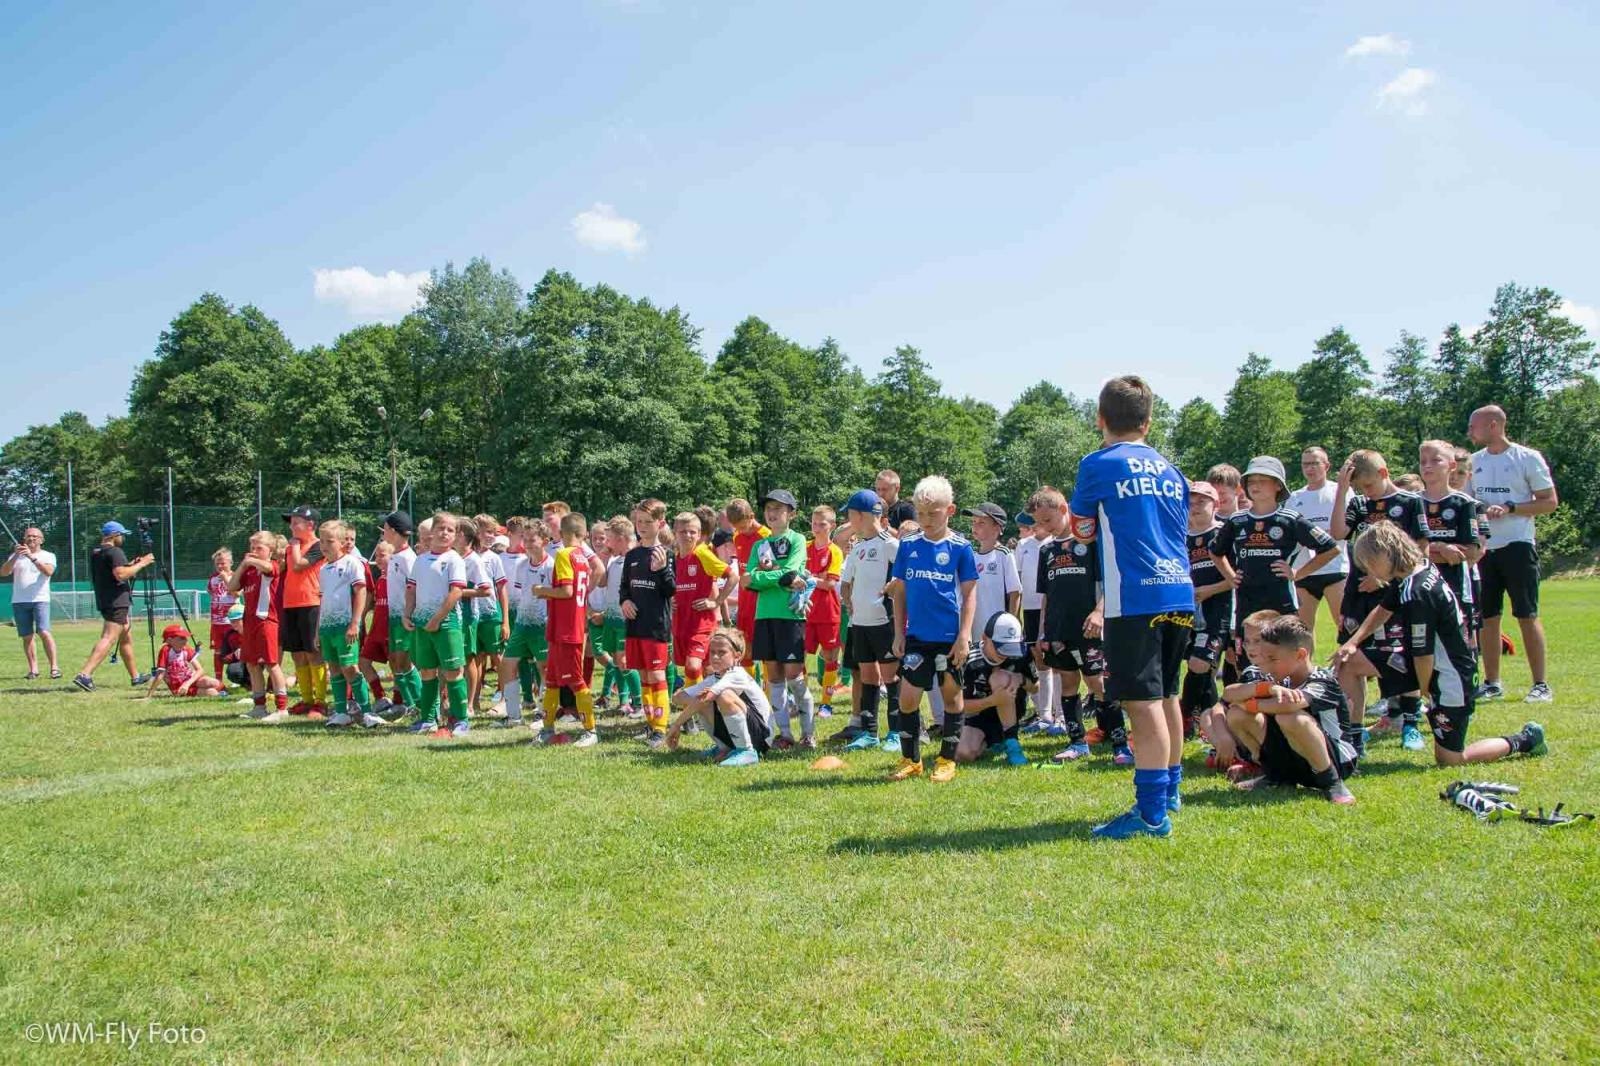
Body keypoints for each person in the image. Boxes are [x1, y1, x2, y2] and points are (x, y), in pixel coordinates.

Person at [1069, 376, 1193, 839]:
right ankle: (1171, 792)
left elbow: (1081, 530)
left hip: (1134, 598)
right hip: (1179, 591)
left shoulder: (1098, 464)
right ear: (1148, 420)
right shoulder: (1170, 469)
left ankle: (1150, 814)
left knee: (1142, 706)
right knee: (1168, 696)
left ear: (1101, 419)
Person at [1338, 521, 1547, 768]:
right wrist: (1352, 642)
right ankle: (1351, 745)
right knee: (1349, 662)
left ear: (1387, 552)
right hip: (1427, 665)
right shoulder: (1414, 572)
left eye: (1370, 562)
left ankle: (1525, 739)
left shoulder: (1418, 593)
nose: (1369, 570)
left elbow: (1423, 655)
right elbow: (1384, 609)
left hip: (1450, 677)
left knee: (1451, 759)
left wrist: (1427, 692)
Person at [1331, 450, 1431, 751]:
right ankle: (1355, 732)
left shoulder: (1411, 502)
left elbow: (1422, 547)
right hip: (1357, 595)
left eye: (1369, 486)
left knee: (1401, 656)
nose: (1366, 493)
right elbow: (1337, 532)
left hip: (1395, 593)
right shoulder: (1359, 503)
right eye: (1359, 487)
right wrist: (1341, 491)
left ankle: (1410, 725)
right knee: (1351, 658)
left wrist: (1384, 577)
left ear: (1384, 473)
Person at [887, 475, 978, 782]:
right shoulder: (908, 545)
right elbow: (899, 591)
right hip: (916, 638)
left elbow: (969, 595)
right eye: (920, 513)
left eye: (933, 513)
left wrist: (964, 636)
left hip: (949, 638)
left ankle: (947, 759)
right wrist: (899, 633)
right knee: (907, 698)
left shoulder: (960, 547)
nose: (925, 520)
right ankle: (911, 759)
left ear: (949, 510)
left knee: (951, 695)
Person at [1466, 404, 1558, 703]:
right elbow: (1469, 504)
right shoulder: (1474, 462)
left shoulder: (1526, 457)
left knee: (1526, 615)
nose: (1470, 431)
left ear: (1494, 425)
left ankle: (1540, 684)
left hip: (1518, 546)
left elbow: (1548, 502)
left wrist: (1511, 508)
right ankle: (1492, 682)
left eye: (1474, 425)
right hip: (1485, 551)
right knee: (1487, 618)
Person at [1224, 615, 1357, 804]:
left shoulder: (1323, 680)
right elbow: (1229, 694)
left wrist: (1250, 704)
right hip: (1298, 762)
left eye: (1272, 658)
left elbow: (1288, 705)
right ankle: (1276, 776)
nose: (1266, 664)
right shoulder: (1277, 677)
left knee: (1291, 718)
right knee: (1237, 714)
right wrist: (1267, 688)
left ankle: (1332, 783)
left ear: (1300, 655)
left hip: (1337, 761)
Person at [1210, 456, 1339, 646]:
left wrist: (1297, 573)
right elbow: (1215, 551)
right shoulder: (1237, 520)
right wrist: (1230, 577)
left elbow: (1330, 548)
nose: (1256, 485)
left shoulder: (1289, 519)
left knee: (1282, 653)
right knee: (1247, 656)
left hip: (1281, 601)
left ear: (1278, 485)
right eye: (1251, 481)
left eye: (1263, 480)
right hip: (1246, 601)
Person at [1036, 485, 1120, 764]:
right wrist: (1044, 632)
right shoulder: (1046, 550)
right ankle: (1077, 742)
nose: (1043, 526)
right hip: (1059, 629)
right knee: (1068, 682)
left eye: (1047, 520)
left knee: (1098, 682)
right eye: (1038, 522)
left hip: (1090, 626)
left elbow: (1110, 582)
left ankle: (1120, 742)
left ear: (1064, 510)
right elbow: (1046, 594)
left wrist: (1099, 612)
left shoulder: (1091, 542)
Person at [742, 490, 815, 749]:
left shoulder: (797, 540)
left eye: (778, 509)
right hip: (764, 617)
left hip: (790, 616)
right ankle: (784, 735)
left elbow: (792, 570)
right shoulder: (759, 545)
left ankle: (808, 733)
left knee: (795, 676)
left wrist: (772, 576)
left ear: (791, 514)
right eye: (768, 508)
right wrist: (782, 578)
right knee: (774, 678)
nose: (772, 513)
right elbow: (748, 580)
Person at [838, 490, 901, 752]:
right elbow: (846, 580)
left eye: (850, 514)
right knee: (867, 676)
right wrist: (847, 597)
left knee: (890, 676)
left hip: (884, 622)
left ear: (862, 515)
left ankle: (896, 732)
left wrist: (891, 590)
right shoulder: (859, 547)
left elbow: (903, 580)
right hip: (860, 622)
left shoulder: (890, 544)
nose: (848, 520)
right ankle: (869, 732)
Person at [403, 512, 470, 737]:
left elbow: (456, 592)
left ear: (456, 536)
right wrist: (407, 613)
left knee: (452, 671)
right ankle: (428, 719)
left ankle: (461, 720)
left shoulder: (454, 560)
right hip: (422, 624)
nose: (444, 533)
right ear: (431, 532)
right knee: (427, 671)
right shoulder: (420, 560)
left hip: (446, 623)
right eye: (441, 528)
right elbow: (411, 589)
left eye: (450, 530)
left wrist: (437, 619)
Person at [1182, 482, 1236, 762]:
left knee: (1200, 664)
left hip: (1217, 611)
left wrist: (1209, 591)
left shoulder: (1223, 534)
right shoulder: (1180, 537)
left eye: (1203, 501)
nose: (1196, 505)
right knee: (1199, 667)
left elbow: (1236, 577)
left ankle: (1184, 716)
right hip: (1184, 612)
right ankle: (1207, 720)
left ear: (1215, 504)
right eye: (1191, 500)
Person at [664, 627, 772, 766]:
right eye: (713, 652)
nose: (715, 657)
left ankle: (747, 751)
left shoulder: (736, 674)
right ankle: (724, 748)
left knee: (722, 695)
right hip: (747, 731)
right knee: (704, 702)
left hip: (761, 738)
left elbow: (704, 699)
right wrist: (698, 700)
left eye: (722, 653)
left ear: (737, 656)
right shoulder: (715, 677)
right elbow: (677, 697)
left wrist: (676, 724)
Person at [535, 513, 599, 747]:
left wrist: (541, 590)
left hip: (567, 626)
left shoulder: (563, 554)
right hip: (567, 625)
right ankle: (547, 729)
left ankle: (591, 730)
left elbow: (566, 592)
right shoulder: (582, 556)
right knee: (552, 678)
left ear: (562, 534)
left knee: (575, 679)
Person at [315, 520, 383, 729]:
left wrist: (355, 622)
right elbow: (323, 599)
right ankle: (341, 712)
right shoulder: (324, 569)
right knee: (334, 668)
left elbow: (361, 591)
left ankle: (367, 712)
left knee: (350, 667)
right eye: (322, 541)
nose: (324, 546)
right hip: (328, 627)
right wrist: (318, 631)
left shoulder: (352, 564)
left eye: (330, 541)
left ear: (343, 543)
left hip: (345, 625)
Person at [72, 521, 155, 692]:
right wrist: (142, 564)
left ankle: (135, 676)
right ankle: (84, 675)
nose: (123, 538)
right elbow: (120, 575)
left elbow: (114, 571)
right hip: (116, 601)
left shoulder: (97, 552)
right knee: (109, 638)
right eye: (121, 535)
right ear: (113, 535)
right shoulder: (115, 551)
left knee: (125, 637)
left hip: (105, 598)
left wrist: (131, 564)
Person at [620, 499, 675, 745]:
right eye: (638, 521)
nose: (641, 526)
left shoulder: (667, 553)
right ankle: (650, 723)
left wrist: (662, 569)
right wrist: (624, 602)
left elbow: (671, 590)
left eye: (647, 522)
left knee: (656, 675)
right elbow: (624, 587)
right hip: (635, 627)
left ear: (660, 523)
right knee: (643, 676)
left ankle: (661, 729)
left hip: (655, 627)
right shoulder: (631, 555)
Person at [1418, 440, 1483, 645]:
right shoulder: (1411, 502)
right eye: (1423, 461)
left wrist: (1425, 549)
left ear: (1451, 466)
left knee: (1459, 645)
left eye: (1435, 460)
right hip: (1419, 587)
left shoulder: (1464, 504)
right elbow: (1405, 552)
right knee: (1422, 650)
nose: (1427, 466)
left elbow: (1470, 553)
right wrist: (1441, 547)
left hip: (1455, 585)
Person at [952, 611, 1034, 765]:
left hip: (1014, 710)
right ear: (984, 638)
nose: (1006, 654)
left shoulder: (1021, 653)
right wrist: (993, 700)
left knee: (1000, 678)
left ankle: (1012, 743)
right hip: (980, 717)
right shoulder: (969, 660)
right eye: (1001, 647)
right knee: (963, 753)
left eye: (1011, 647)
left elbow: (1036, 687)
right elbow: (959, 706)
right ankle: (993, 740)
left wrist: (1020, 679)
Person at [497, 518, 554, 729]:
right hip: (522, 624)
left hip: (542, 625)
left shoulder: (552, 565)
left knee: (544, 669)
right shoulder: (522, 564)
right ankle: (513, 716)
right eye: (525, 539)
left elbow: (558, 595)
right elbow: (523, 594)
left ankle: (543, 713)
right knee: (507, 664)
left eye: (533, 540)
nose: (528, 543)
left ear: (545, 541)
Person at [1287, 447, 1349, 636]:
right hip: (1304, 571)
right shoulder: (1295, 497)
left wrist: (1321, 537)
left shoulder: (1341, 491)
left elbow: (1346, 527)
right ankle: (1306, 666)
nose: (1310, 468)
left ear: (1326, 466)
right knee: (1303, 631)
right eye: (1305, 464)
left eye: (1314, 463)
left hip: (1335, 568)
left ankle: (1348, 664)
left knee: (1344, 625)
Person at [231, 530, 290, 721]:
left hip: (267, 621)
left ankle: (282, 708)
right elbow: (232, 587)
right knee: (252, 663)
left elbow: (269, 568)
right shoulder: (248, 570)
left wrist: (252, 561)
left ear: (270, 550)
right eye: (252, 547)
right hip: (250, 623)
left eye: (259, 548)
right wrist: (242, 565)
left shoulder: (272, 566)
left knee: (272, 663)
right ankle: (259, 706)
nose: (254, 551)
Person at [672, 511, 731, 694]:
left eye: (692, 532)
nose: (688, 535)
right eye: (683, 532)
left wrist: (716, 602)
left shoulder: (702, 553)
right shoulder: (674, 557)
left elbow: (733, 576)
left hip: (702, 624)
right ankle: (715, 699)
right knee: (704, 668)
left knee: (693, 666)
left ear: (699, 534)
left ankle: (692, 706)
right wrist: (670, 599)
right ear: (675, 533)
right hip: (681, 622)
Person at [280, 505, 328, 717]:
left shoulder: (319, 546)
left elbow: (300, 565)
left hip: (311, 603)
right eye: (291, 522)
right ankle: (306, 699)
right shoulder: (292, 547)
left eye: (296, 522)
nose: (292, 526)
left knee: (313, 653)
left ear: (310, 525)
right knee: (298, 655)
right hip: (291, 604)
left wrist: (295, 546)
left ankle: (320, 701)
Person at [379, 512, 422, 721]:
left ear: (394, 531)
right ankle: (409, 703)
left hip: (407, 617)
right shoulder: (395, 555)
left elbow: (415, 588)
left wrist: (410, 613)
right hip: (394, 617)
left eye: (385, 528)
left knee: (405, 660)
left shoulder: (408, 558)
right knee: (396, 661)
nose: (383, 532)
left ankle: (420, 703)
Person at [804, 505, 845, 712]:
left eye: (822, 524)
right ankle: (801, 702)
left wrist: (808, 578)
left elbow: (829, 584)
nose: (817, 528)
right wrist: (817, 578)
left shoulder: (835, 551)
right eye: (814, 523)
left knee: (830, 657)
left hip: (828, 613)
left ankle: (826, 705)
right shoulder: (803, 547)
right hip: (804, 612)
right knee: (797, 656)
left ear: (832, 526)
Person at [4, 526, 60, 679]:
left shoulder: (48, 555)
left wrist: (32, 557)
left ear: (41, 540)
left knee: (44, 632)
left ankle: (54, 668)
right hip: (20, 600)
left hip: (40, 599)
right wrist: (16, 556)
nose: (31, 538)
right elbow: (3, 572)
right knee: (27, 636)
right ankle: (33, 670)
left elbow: (48, 571)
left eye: (35, 536)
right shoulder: (16, 556)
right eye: (28, 536)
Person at [725, 498, 770, 668]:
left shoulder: (766, 536)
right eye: (736, 528)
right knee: (745, 648)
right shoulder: (737, 536)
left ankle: (769, 692)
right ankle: (749, 692)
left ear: (751, 516)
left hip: (762, 599)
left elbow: (771, 569)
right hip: (745, 600)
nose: (740, 531)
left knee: (766, 649)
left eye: (743, 527)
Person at [358, 539, 393, 715]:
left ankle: (402, 702)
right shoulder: (380, 580)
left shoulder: (396, 579)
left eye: (382, 555)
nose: (378, 559)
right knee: (363, 662)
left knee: (398, 666)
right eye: (377, 555)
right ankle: (380, 697)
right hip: (376, 631)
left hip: (390, 631)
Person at [148, 623, 228, 699]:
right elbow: (160, 674)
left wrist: (187, 683)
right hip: (179, 687)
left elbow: (200, 670)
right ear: (169, 640)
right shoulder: (165, 650)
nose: (185, 641)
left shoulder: (185, 648)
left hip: (189, 680)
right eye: (181, 638)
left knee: (214, 682)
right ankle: (221, 694)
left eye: (186, 638)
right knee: (212, 692)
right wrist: (149, 696)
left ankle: (225, 692)